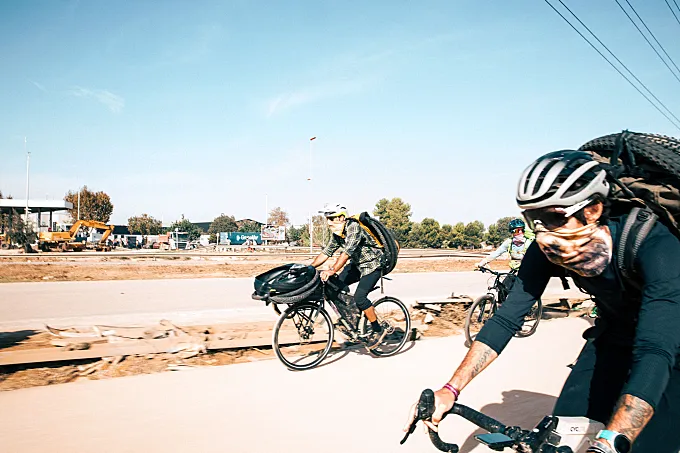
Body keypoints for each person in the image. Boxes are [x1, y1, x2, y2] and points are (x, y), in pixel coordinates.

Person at [404, 150, 680, 453]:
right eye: (533, 219)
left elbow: (656, 349)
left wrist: (610, 441)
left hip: (669, 345)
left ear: (593, 210)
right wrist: (450, 390)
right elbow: (506, 319)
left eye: (553, 217)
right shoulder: (547, 246)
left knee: (640, 443)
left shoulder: (656, 245)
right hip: (614, 336)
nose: (543, 233)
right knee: (559, 432)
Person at [309, 203, 388, 350]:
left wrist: (332, 269)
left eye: (331, 219)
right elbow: (327, 251)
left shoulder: (353, 228)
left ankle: (378, 329)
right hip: (357, 265)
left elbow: (346, 253)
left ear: (341, 218)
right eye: (327, 219)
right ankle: (353, 317)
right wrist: (309, 267)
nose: (329, 222)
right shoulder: (338, 234)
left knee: (360, 297)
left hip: (373, 265)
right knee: (335, 284)